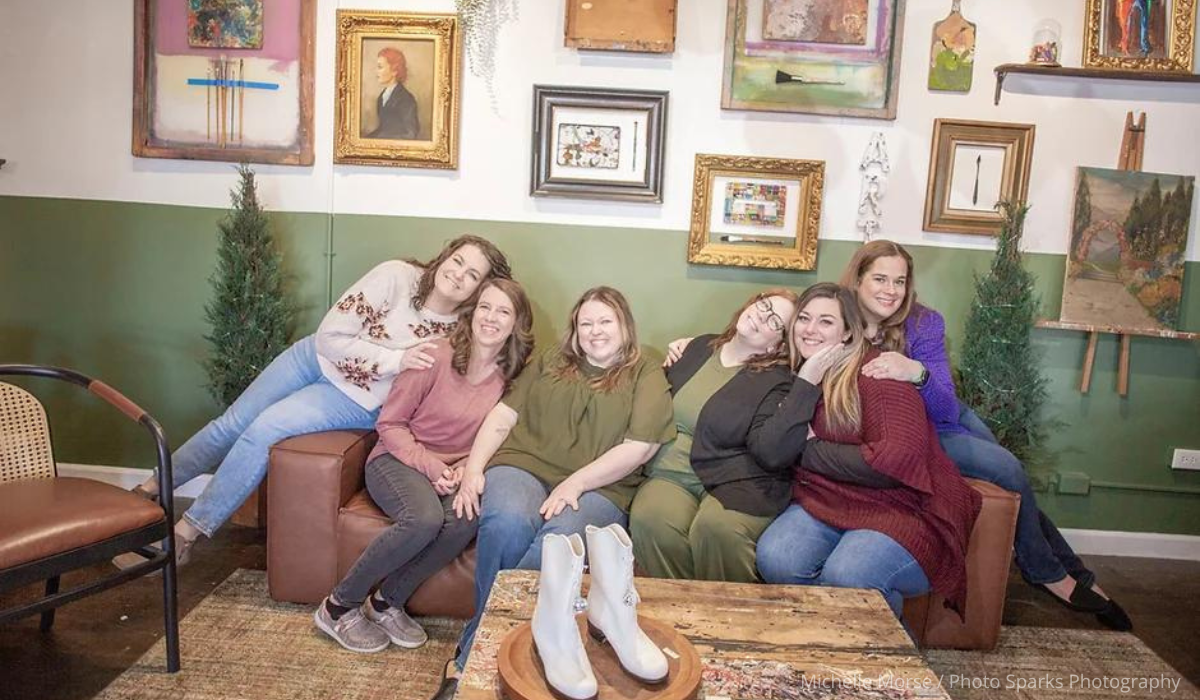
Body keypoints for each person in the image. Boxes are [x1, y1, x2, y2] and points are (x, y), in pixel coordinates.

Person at [118, 235, 511, 569]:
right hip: (314, 358)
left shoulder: (461, 329)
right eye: (458, 261)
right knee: (232, 423)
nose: (458, 274)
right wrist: (396, 359)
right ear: (445, 256)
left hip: (354, 396)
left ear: (479, 289)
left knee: (263, 431)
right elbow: (330, 336)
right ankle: (151, 488)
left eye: (472, 274)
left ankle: (187, 532)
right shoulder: (396, 276)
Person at [838, 239, 1131, 631]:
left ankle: (1067, 572)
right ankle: (1053, 574)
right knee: (1006, 468)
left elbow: (943, 405)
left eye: (900, 281)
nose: (891, 290)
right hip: (913, 434)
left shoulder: (924, 322)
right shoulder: (836, 320)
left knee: (1013, 485)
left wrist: (915, 372)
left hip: (945, 418)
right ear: (857, 279)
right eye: (879, 279)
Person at [430, 286, 674, 700]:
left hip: (600, 486)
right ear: (575, 330)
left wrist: (576, 482)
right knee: (506, 521)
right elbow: (503, 416)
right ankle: (497, 645)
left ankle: (477, 650)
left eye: (605, 321)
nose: (595, 331)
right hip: (523, 465)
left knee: (558, 541)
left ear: (624, 326)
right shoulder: (550, 361)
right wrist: (473, 468)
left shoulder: (645, 371)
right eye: (586, 324)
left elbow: (641, 446)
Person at [314, 278, 534, 654]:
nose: (491, 318)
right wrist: (433, 467)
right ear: (472, 311)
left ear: (517, 323)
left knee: (466, 517)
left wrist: (467, 466)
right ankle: (338, 606)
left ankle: (385, 602)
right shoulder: (435, 355)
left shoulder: (513, 377)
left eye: (503, 311)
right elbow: (390, 424)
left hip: (453, 471)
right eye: (485, 307)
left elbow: (500, 436)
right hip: (397, 458)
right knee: (424, 518)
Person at [754, 283, 983, 623]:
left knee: (849, 574)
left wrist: (810, 447)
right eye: (804, 318)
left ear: (848, 332)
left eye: (826, 322)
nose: (810, 330)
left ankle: (884, 662)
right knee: (776, 558)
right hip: (827, 502)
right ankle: (829, 640)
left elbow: (894, 460)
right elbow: (773, 450)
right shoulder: (800, 375)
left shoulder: (877, 374)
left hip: (902, 509)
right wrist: (805, 381)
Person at [628, 289, 798, 583]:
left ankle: (730, 616)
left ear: (778, 345)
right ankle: (683, 610)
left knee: (715, 529)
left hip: (733, 478)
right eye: (764, 304)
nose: (761, 315)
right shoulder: (696, 348)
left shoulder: (778, 382)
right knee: (651, 519)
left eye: (774, 321)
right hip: (671, 474)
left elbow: (767, 447)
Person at [366, 47, 420, 140]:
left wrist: (382, 140)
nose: (376, 72)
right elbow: (383, 129)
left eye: (380, 67)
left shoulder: (406, 99)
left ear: (394, 70)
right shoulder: (382, 97)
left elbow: (411, 134)